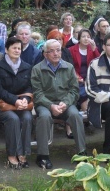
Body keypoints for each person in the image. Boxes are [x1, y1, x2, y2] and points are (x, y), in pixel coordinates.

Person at [31, 39, 86, 169]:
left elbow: (74, 90)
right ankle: (42, 156)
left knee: (75, 116)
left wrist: (65, 103)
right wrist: (51, 105)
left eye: (58, 50)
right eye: (51, 51)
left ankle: (82, 153)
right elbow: (37, 94)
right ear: (45, 54)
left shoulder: (68, 67)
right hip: (44, 104)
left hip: (65, 103)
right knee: (44, 117)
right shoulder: (37, 69)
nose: (56, 53)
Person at [0, 37, 34, 169]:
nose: (17, 50)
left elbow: (29, 87)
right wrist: (15, 101)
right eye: (14, 48)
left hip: (21, 104)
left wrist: (24, 100)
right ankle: (11, 154)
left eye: (19, 48)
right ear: (6, 49)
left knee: (27, 117)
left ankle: (23, 153)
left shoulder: (27, 67)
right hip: (1, 105)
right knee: (13, 118)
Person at [68, 29, 100, 114]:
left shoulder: (92, 48)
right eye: (83, 36)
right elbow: (71, 67)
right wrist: (80, 79)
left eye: (88, 37)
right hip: (77, 78)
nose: (86, 39)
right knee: (83, 92)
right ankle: (86, 115)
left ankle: (90, 115)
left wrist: (94, 50)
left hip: (91, 78)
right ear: (79, 38)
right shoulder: (71, 50)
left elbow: (99, 63)